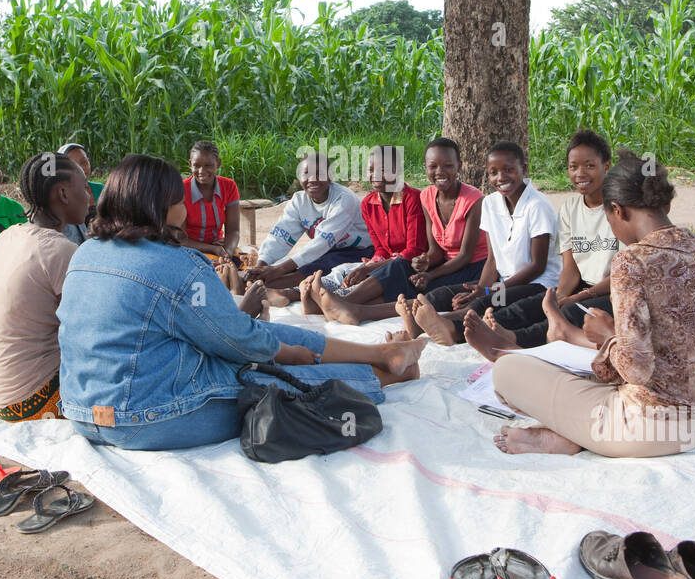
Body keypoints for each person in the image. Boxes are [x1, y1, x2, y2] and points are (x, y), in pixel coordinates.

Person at [57, 154, 427, 451]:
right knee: (272, 374)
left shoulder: (86, 253)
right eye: (179, 200)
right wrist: (286, 350)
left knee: (269, 345)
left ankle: (379, 354)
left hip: (82, 412)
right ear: (164, 207)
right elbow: (241, 340)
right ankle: (390, 369)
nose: (185, 208)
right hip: (148, 417)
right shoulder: (178, 265)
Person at [490, 150, 695, 457]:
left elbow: (637, 368)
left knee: (506, 369)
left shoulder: (631, 261)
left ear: (617, 211)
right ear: (667, 203)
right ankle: (572, 430)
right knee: (592, 374)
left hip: (642, 429)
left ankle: (571, 435)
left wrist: (609, 338)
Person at [463, 130, 619, 359]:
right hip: (581, 286)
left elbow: (623, 275)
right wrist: (559, 295)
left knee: (569, 312)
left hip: (612, 290)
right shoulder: (569, 209)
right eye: (573, 167)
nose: (580, 174)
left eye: (589, 166)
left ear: (606, 165)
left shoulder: (619, 207)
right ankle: (494, 333)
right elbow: (570, 268)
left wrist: (579, 296)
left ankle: (514, 342)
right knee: (540, 305)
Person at [302, 139, 485, 323]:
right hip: (439, 263)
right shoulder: (427, 196)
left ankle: (347, 306)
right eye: (433, 166)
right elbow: (435, 251)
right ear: (425, 168)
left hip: (472, 267)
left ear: (459, 166)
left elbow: (464, 256)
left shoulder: (472, 199)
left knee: (421, 285)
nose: (440, 172)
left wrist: (428, 273)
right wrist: (425, 261)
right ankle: (344, 306)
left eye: (448, 165)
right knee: (400, 272)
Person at [0, 152, 93, 422]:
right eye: (83, 187)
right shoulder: (61, 251)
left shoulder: (6, 236)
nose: (89, 196)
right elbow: (91, 332)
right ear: (62, 193)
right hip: (30, 401)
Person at [402, 141, 560, 345]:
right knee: (452, 295)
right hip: (503, 282)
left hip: (538, 284)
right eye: (493, 172)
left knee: (486, 303)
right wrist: (483, 287)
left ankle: (448, 328)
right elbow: (493, 259)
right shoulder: (491, 203)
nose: (501, 177)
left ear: (524, 168)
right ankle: (425, 323)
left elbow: (537, 266)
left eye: (509, 170)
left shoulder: (537, 205)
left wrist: (489, 290)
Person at [243, 151, 373, 291]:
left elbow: (322, 242)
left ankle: (267, 288)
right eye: (306, 174)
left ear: (330, 177)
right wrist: (260, 266)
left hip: (360, 251)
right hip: (327, 251)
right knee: (295, 262)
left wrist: (277, 270)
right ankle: (257, 282)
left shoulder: (344, 199)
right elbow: (280, 236)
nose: (312, 179)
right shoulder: (299, 201)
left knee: (317, 266)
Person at [179, 139, 240, 260]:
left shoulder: (229, 187)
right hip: (189, 249)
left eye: (208, 165)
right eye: (197, 165)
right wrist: (212, 249)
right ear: (190, 164)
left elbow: (233, 230)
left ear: (218, 163)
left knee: (244, 264)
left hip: (219, 246)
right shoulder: (181, 190)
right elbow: (180, 239)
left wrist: (227, 253)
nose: (202, 171)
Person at [58, 142, 101, 246]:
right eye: (74, 165)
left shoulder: (103, 189)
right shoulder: (61, 199)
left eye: (84, 162)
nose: (81, 169)